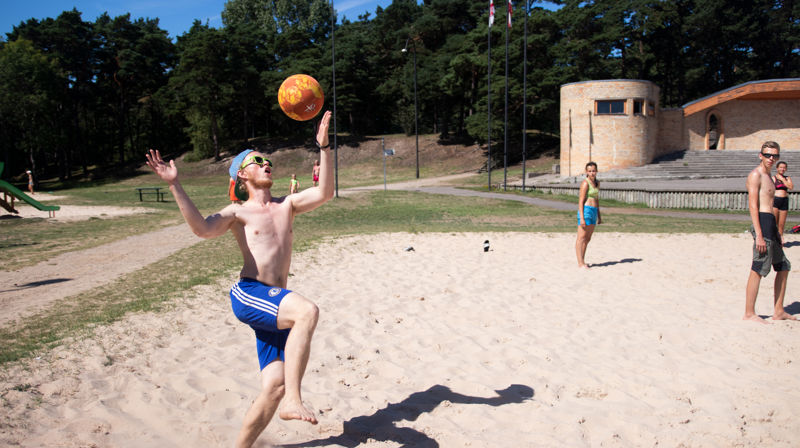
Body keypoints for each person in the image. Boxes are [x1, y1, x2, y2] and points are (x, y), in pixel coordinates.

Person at [145, 110, 333, 447]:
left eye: (268, 161)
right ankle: (294, 399)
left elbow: (324, 193)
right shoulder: (237, 213)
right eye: (258, 161)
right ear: (241, 175)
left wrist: (324, 147)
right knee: (307, 312)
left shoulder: (286, 205)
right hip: (250, 293)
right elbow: (202, 229)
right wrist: (174, 183)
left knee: (273, 385)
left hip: (275, 301)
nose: (267, 164)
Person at [744, 141, 796, 323]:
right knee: (758, 268)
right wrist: (758, 233)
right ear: (761, 155)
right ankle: (749, 313)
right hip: (762, 224)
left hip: (771, 225)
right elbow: (753, 205)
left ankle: (779, 310)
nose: (771, 158)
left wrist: (778, 233)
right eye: (767, 155)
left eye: (774, 155)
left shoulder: (770, 177)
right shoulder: (756, 175)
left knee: (784, 266)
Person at [575, 161, 601, 268]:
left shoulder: (597, 183)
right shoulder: (585, 183)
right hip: (586, 210)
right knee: (581, 238)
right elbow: (581, 201)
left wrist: (599, 216)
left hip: (594, 211)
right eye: (589, 171)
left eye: (593, 171)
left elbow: (597, 199)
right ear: (586, 172)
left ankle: (583, 260)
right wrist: (582, 217)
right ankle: (580, 263)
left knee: (588, 238)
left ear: (596, 171)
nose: (592, 173)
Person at [772, 161, 793, 245]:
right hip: (776, 200)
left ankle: (780, 240)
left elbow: (790, 187)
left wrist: (783, 180)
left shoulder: (787, 178)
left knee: (781, 223)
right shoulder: (774, 177)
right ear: (777, 168)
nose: (782, 169)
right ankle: (773, 239)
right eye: (780, 167)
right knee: (774, 222)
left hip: (784, 201)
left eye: (784, 167)